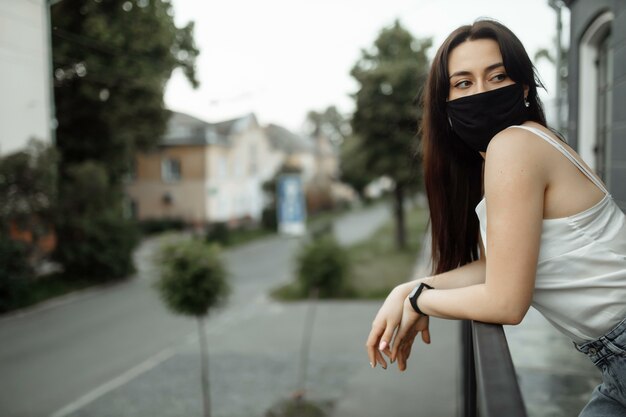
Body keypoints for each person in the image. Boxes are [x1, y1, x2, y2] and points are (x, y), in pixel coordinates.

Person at [365, 18, 626, 416]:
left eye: (497, 76)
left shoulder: (514, 146)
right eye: (464, 83)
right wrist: (410, 287)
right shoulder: (527, 144)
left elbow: (505, 302)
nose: (481, 93)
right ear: (446, 104)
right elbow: (496, 270)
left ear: (522, 88)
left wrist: (421, 302)